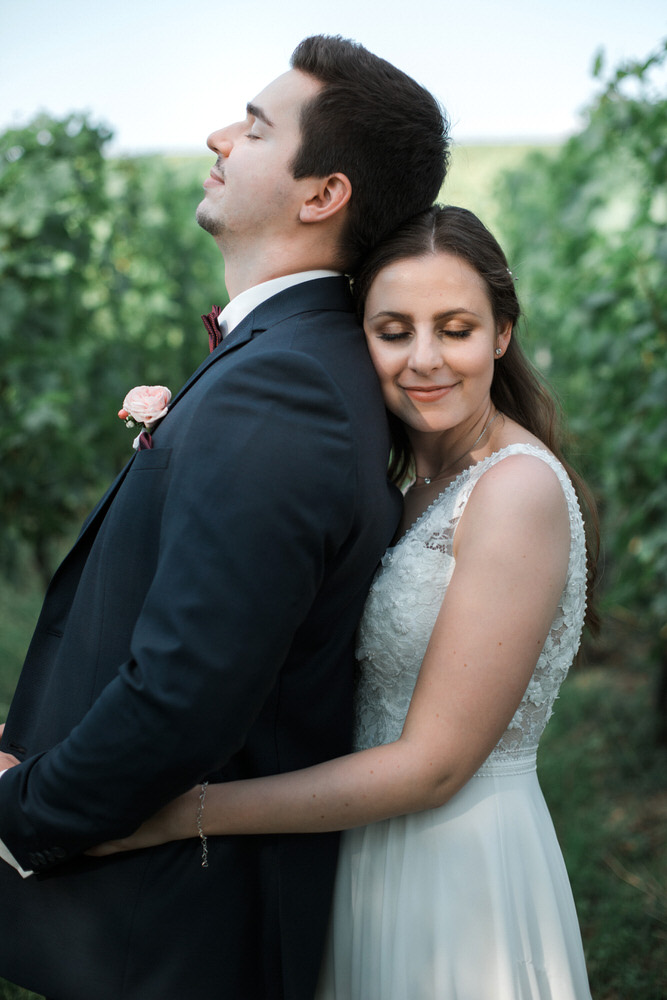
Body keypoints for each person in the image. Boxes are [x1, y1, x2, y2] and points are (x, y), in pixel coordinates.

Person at [0, 36, 449, 1000]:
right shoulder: (291, 358)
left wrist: (20, 807)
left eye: (252, 126)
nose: (217, 137)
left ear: (321, 193)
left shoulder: (285, 382)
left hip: (172, 933)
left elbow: (187, 687)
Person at [91, 206, 599, 999]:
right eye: (393, 330)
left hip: (454, 866)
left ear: (501, 333)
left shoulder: (515, 491)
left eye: (455, 328)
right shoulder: (404, 488)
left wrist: (177, 813)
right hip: (354, 842)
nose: (423, 359)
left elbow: (433, 768)